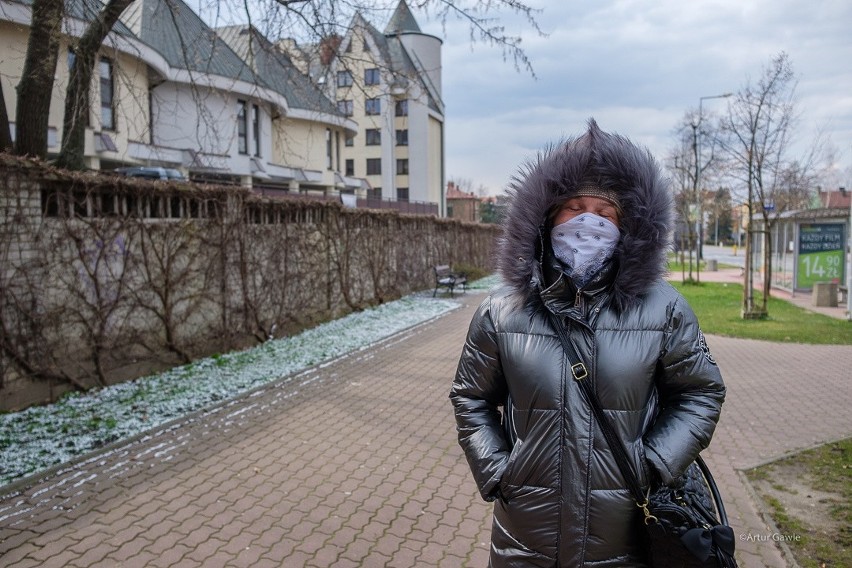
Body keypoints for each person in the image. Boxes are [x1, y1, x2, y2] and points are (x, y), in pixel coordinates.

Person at [449, 120, 726, 567]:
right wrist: (499, 470)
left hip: (625, 536)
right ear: (546, 217)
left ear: (628, 224)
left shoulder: (664, 309)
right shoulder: (502, 310)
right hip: (525, 537)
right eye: (573, 208)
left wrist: (653, 464)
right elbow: (471, 397)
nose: (587, 222)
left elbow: (700, 392)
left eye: (604, 212)